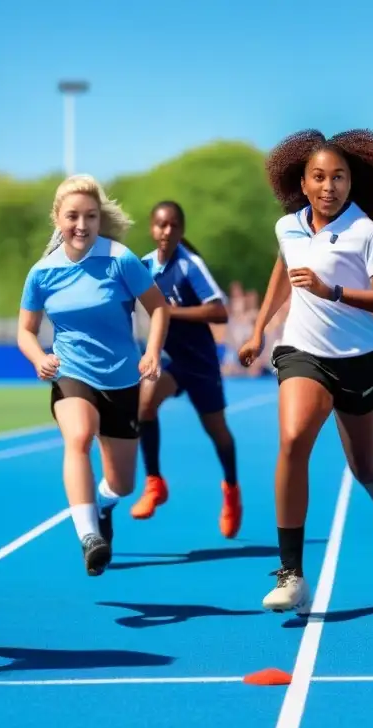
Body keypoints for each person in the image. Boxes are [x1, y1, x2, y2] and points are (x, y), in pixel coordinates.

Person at [238, 128, 373, 613]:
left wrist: (331, 290)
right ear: (303, 183)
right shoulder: (287, 227)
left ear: (353, 183)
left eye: (339, 177)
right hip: (302, 352)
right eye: (319, 177)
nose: (329, 186)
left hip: (359, 359)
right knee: (292, 440)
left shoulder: (365, 232)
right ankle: (291, 574)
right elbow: (283, 272)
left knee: (366, 469)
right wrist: (259, 329)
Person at [17, 175, 170, 577]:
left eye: (90, 216)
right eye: (72, 217)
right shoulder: (42, 273)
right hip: (71, 373)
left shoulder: (120, 259)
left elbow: (159, 308)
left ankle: (103, 506)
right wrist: (38, 357)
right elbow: (25, 330)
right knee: (79, 436)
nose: (81, 225)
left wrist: (152, 351)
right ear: (58, 218)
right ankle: (89, 538)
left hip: (121, 380)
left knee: (122, 484)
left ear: (99, 219)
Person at [132, 200, 243, 537]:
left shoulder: (190, 265)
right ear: (151, 228)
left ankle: (231, 492)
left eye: (173, 226)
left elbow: (219, 313)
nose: (166, 231)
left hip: (201, 363)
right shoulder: (143, 266)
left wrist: (169, 312)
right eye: (160, 225)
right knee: (144, 404)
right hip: (169, 361)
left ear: (180, 230)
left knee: (217, 431)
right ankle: (154, 483)